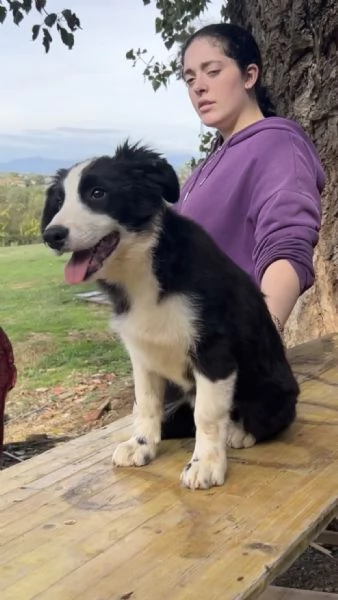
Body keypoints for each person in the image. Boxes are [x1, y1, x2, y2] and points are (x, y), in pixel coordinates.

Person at [175, 23, 325, 337]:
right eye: (189, 79)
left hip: (229, 358)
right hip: (181, 361)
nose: (198, 87)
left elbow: (286, 242)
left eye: (212, 71)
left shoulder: (277, 144)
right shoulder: (201, 173)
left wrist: (263, 338)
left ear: (249, 75)